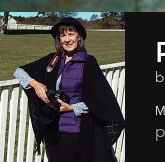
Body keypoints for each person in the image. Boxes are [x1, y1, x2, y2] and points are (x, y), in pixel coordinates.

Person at [14, 17, 124, 161]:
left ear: (79, 37)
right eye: (63, 35)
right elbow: (19, 72)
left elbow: (100, 100)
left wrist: (71, 108)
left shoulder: (88, 63)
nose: (67, 39)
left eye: (71, 34)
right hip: (53, 130)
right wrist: (35, 84)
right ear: (59, 39)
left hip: (75, 130)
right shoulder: (53, 60)